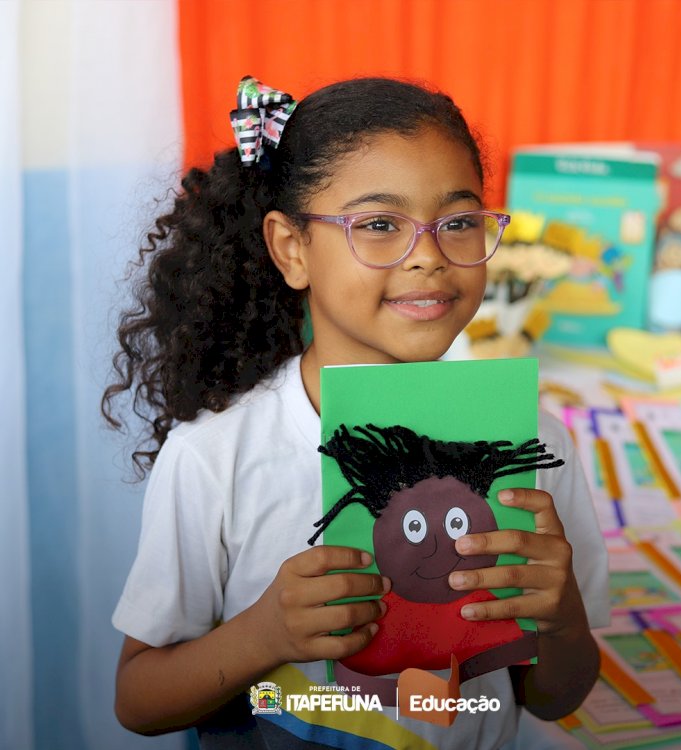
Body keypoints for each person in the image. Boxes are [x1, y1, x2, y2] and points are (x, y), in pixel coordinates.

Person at [104, 75, 610, 749]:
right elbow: (139, 701)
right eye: (378, 224)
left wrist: (564, 621)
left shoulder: (532, 447)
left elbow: (555, 699)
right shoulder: (216, 457)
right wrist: (265, 634)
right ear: (291, 248)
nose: (428, 257)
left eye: (458, 222)